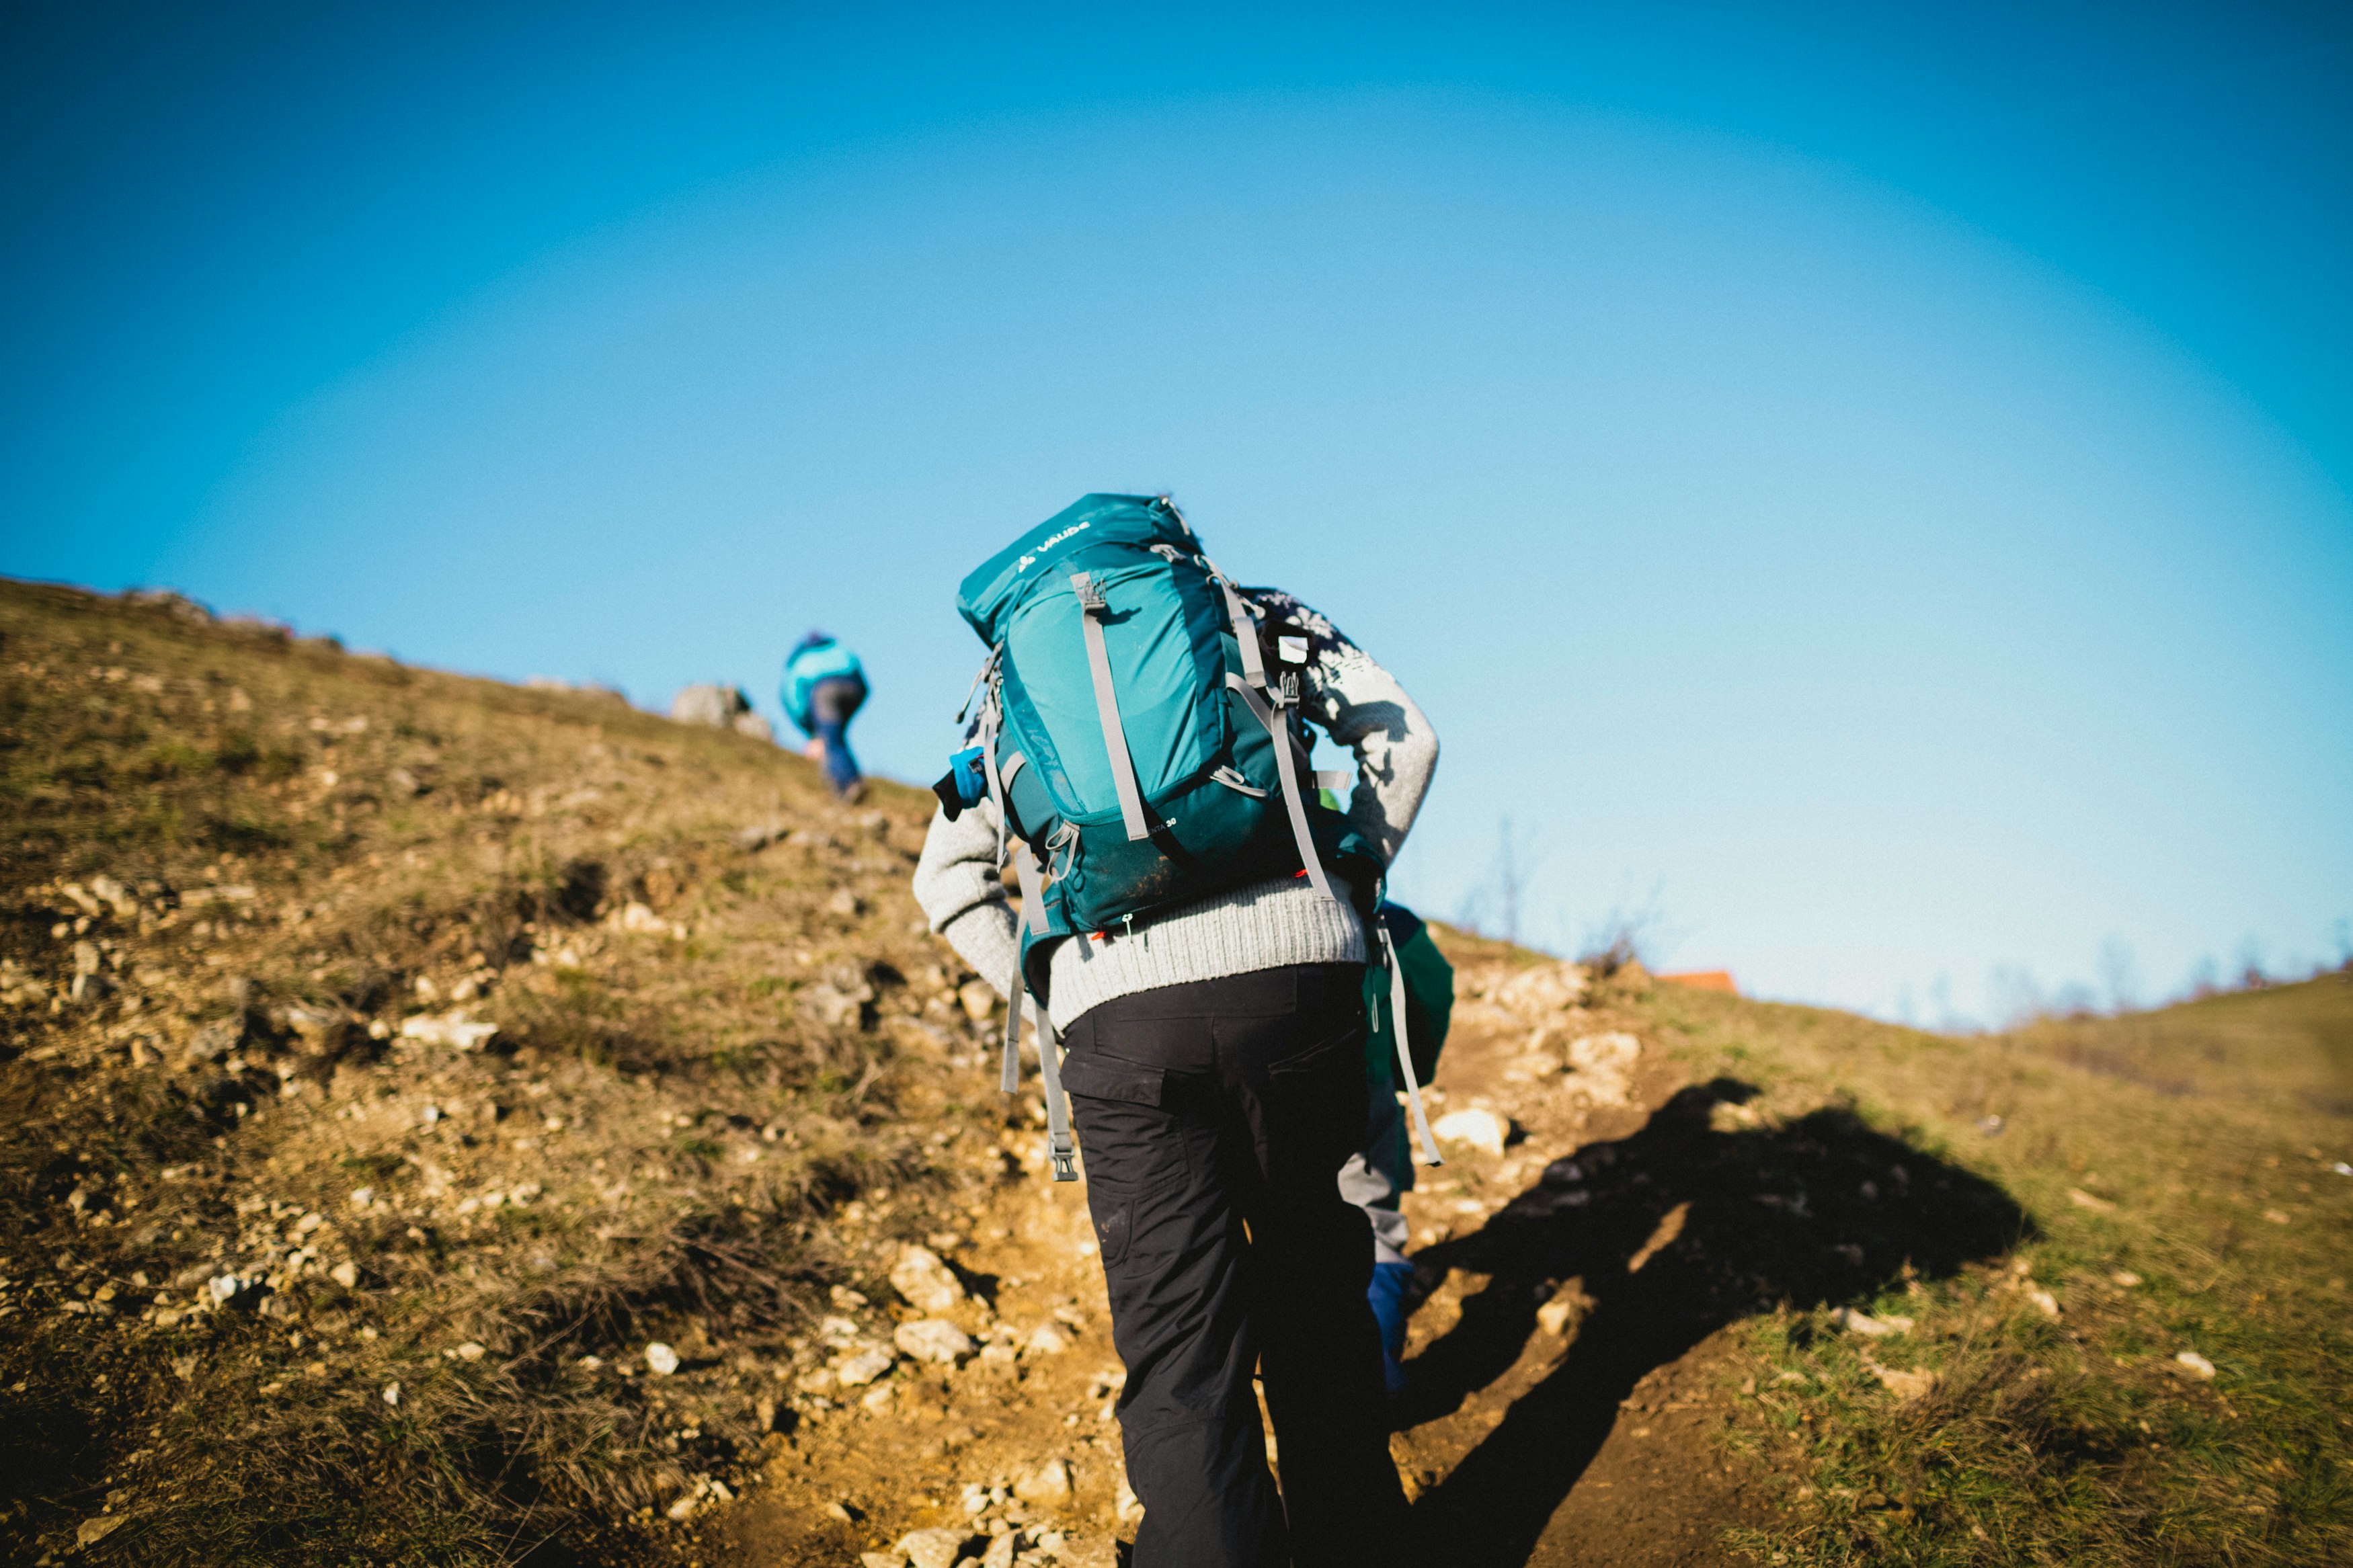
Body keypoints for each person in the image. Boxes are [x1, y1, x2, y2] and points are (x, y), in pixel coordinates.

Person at [914, 577, 1439, 1568]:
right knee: (1316, 1304)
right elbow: (1407, 737)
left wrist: (1062, 996)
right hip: (1298, 989)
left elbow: (944, 879)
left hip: (1122, 1019)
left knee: (1182, 1356)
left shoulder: (1015, 681)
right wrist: (1348, 881)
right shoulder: (1250, 614)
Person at [1339, 900, 1454, 1394]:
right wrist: (1414, 1069)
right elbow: (1431, 985)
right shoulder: (1379, 910)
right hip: (1361, 1082)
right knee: (1372, 1231)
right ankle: (1374, 1384)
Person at [782, 631, 867, 799]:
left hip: (825, 693)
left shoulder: (799, 662)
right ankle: (849, 784)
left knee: (830, 740)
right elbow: (861, 678)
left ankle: (847, 786)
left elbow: (793, 699)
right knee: (835, 737)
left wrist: (811, 731)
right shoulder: (840, 649)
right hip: (854, 690)